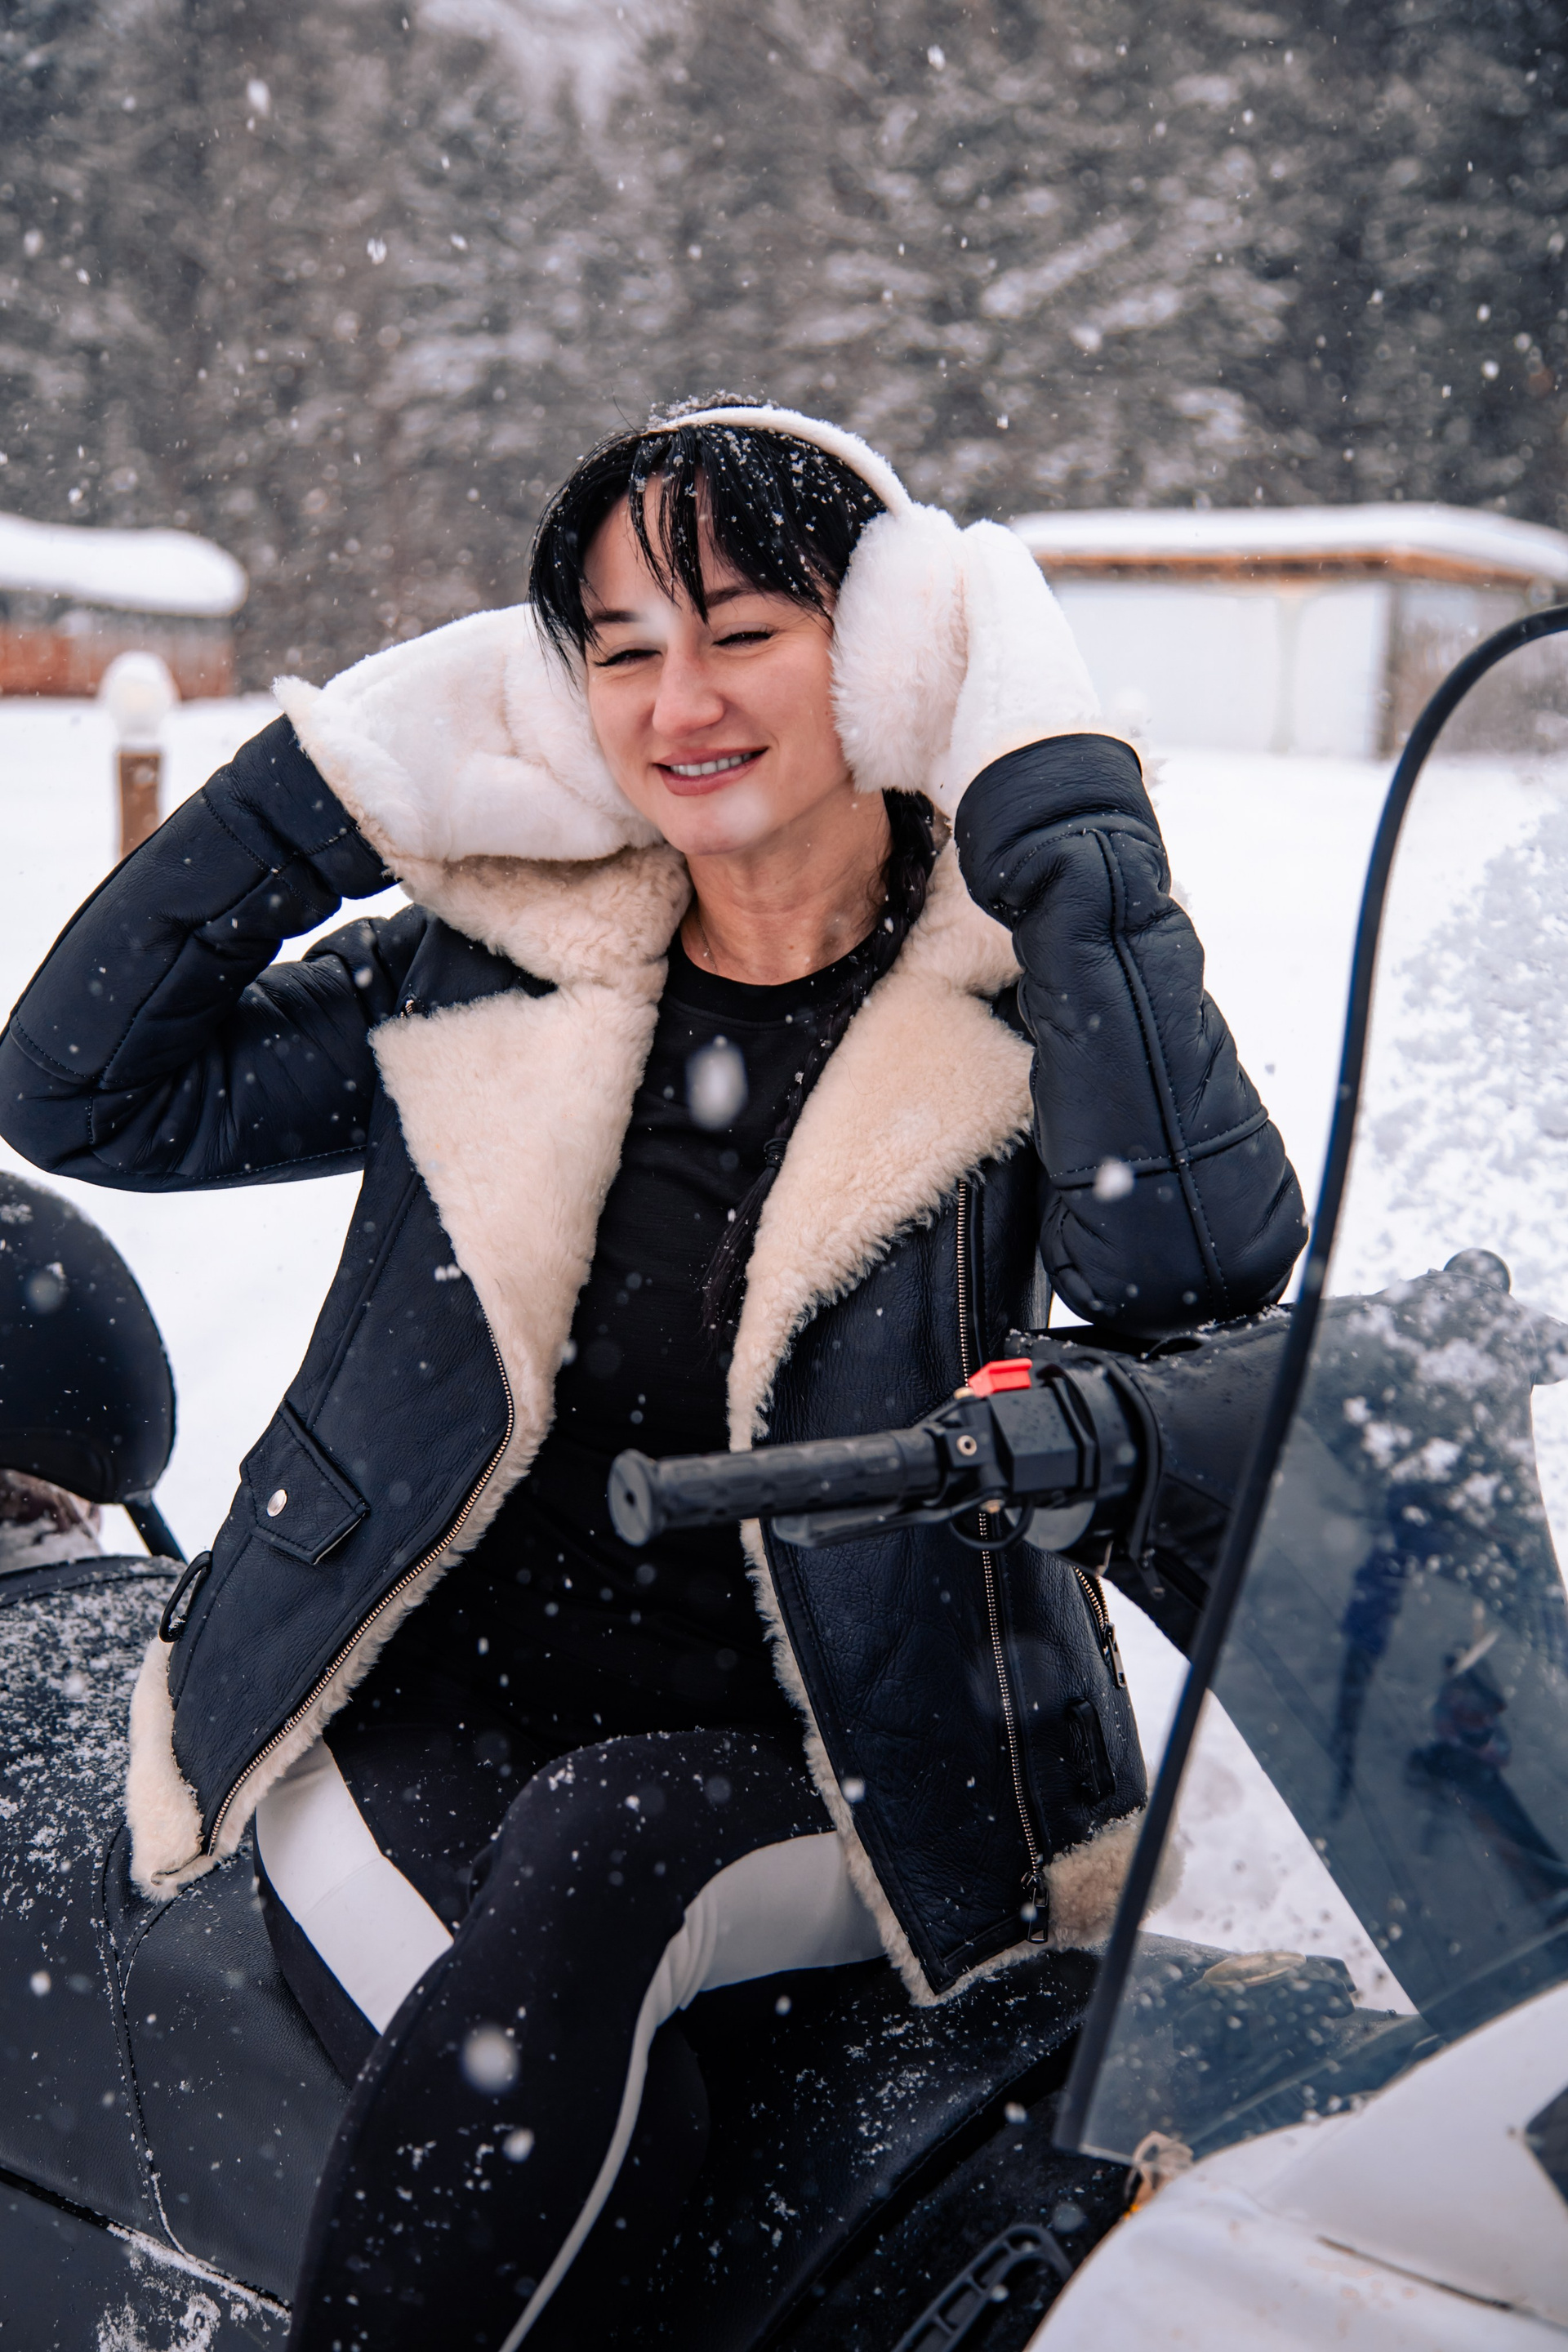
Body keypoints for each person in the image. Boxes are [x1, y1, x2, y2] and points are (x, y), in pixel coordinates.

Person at [0, 400, 1305, 2346]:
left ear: (883, 654)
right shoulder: (503, 967)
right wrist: (342, 780)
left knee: (614, 1852)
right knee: (618, 2091)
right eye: (618, 649)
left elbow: (1194, 1263)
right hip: (426, 1706)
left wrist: (1058, 804)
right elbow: (84, 1091)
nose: (679, 701)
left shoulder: (1017, 993)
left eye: (744, 631)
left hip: (843, 1754)